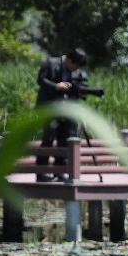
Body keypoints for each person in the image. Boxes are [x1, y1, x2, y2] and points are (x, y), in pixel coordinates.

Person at [34, 48, 88, 182]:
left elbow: (76, 88)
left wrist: (81, 93)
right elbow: (40, 80)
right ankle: (41, 173)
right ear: (69, 60)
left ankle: (59, 171)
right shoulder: (50, 63)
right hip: (49, 108)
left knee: (65, 139)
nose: (75, 69)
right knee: (48, 138)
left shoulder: (76, 71)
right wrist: (56, 86)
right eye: (74, 66)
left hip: (67, 110)